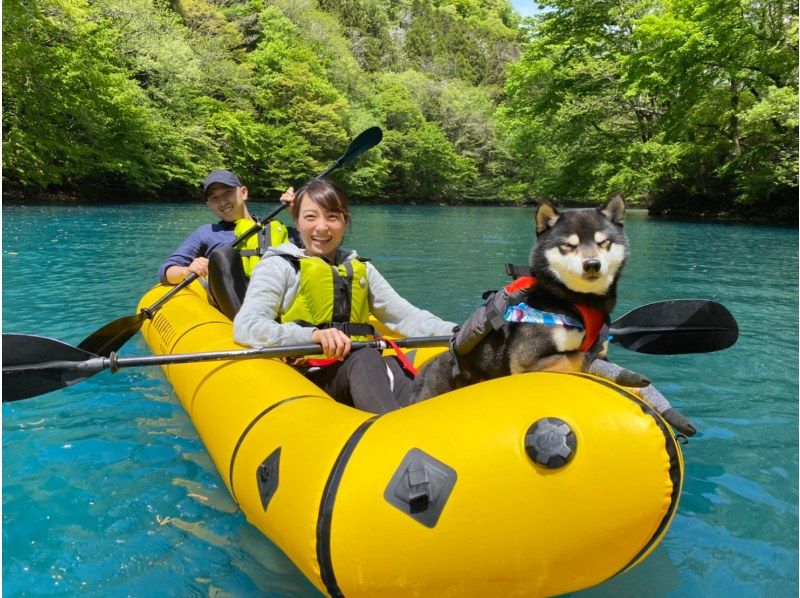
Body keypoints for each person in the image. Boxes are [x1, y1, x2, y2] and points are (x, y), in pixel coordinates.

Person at [233, 179, 456, 413]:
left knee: (400, 367)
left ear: (344, 222)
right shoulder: (279, 266)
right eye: (310, 217)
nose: (321, 227)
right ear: (297, 222)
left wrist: (460, 333)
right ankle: (394, 434)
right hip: (310, 376)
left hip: (360, 369)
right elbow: (247, 325)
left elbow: (406, 317)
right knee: (365, 356)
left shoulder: (360, 268)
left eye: (332, 217)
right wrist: (313, 336)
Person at [158, 170, 297, 319]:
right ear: (209, 205)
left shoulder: (276, 228)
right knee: (224, 255)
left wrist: (297, 212)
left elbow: (319, 249)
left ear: (243, 192)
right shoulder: (206, 233)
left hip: (283, 299)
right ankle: (251, 324)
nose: (223, 202)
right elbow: (166, 271)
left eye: (228, 193)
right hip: (240, 308)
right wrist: (187, 271)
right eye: (215, 198)